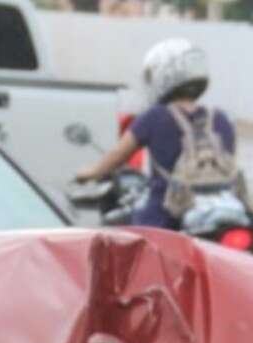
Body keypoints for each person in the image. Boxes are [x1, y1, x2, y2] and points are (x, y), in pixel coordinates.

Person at [74, 38, 240, 230]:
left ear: (165, 75)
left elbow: (118, 155)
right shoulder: (221, 118)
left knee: (134, 235)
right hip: (222, 210)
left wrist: (91, 173)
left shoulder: (155, 117)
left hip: (168, 212)